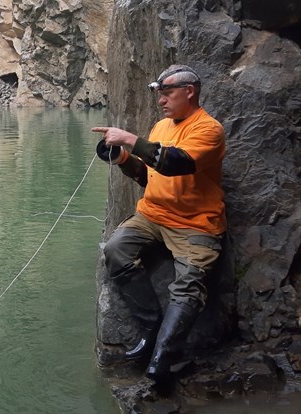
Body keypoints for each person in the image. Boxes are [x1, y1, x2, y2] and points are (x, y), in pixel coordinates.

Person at [91, 64, 226, 384]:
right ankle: (149, 329)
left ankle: (161, 359)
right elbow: (146, 175)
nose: (161, 101)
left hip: (196, 224)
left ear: (189, 92)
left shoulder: (208, 129)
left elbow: (175, 163)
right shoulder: (161, 127)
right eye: (159, 95)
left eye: (167, 94)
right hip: (153, 215)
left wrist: (130, 139)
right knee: (116, 250)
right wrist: (123, 158)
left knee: (189, 286)